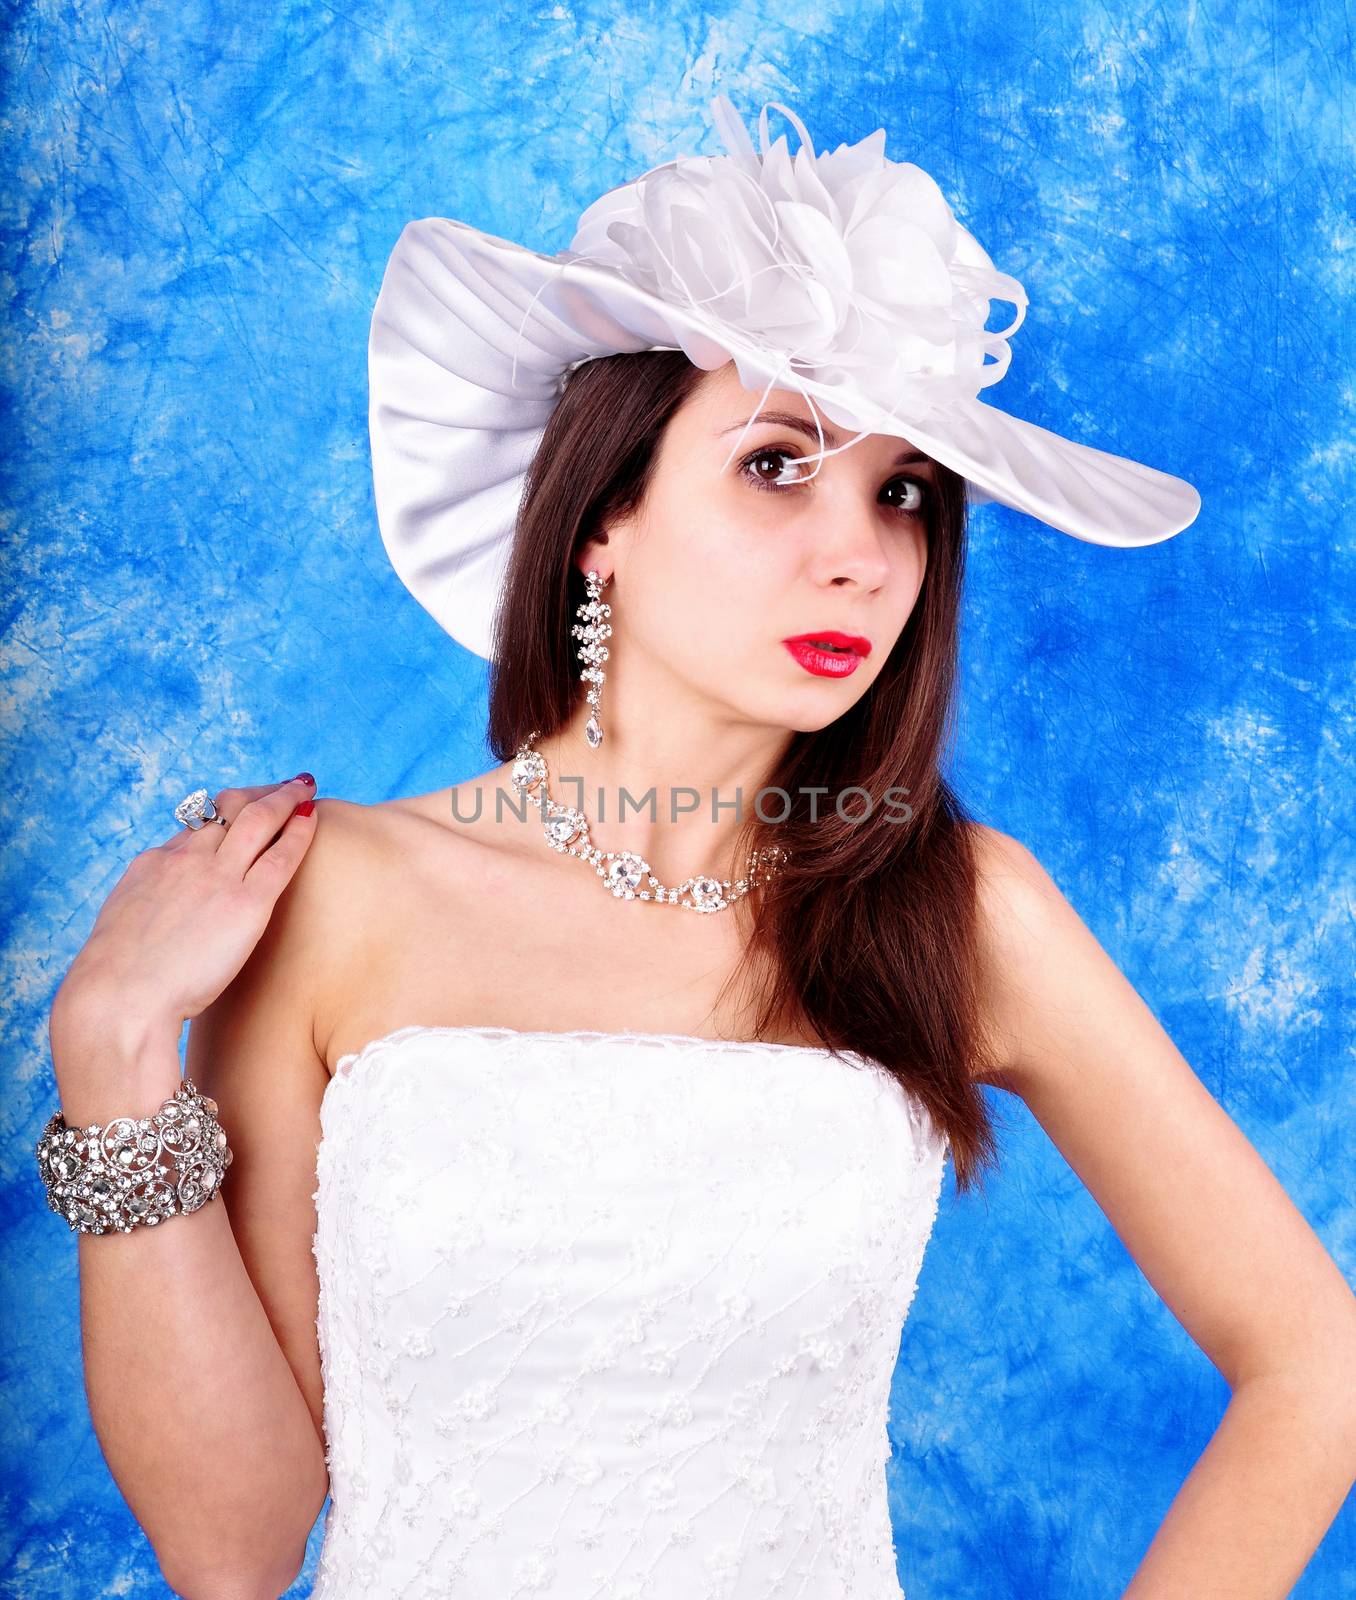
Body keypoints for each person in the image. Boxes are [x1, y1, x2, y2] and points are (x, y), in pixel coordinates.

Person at [38, 96, 1356, 1600]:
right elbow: (235, 1546)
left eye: (903, 492)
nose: (860, 553)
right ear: (604, 516)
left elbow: (1317, 1363)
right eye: (778, 465)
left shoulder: (960, 912)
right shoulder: (331, 897)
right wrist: (116, 1045)